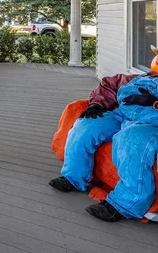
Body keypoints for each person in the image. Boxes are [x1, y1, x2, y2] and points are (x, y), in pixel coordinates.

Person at [49, 48, 158, 222]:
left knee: (132, 141)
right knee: (86, 126)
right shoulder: (138, 78)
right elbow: (109, 85)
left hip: (149, 123)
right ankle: (74, 177)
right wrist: (97, 104)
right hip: (120, 113)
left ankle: (125, 205)